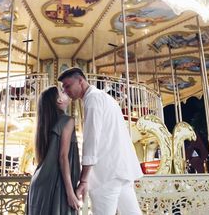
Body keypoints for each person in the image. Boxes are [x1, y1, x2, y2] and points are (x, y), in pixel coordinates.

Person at [58, 67, 143, 215]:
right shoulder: (105, 97)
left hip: (106, 173)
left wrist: (84, 180)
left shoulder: (92, 99)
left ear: (80, 80)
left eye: (68, 86)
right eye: (63, 88)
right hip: (121, 169)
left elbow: (91, 140)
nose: (65, 91)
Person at [26, 86, 81, 214]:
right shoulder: (68, 120)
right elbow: (63, 157)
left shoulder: (46, 124)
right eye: (62, 91)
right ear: (59, 101)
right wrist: (70, 193)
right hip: (57, 184)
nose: (65, 91)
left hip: (39, 184)